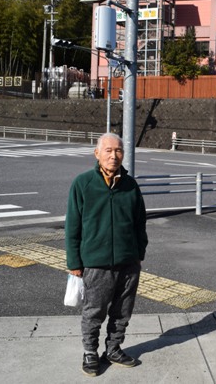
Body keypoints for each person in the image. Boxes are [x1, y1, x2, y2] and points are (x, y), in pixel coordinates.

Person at [65, 133, 148, 377]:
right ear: (97, 153)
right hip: (96, 263)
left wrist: (139, 253)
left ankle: (113, 349)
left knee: (123, 311)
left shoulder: (130, 185)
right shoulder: (83, 183)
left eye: (118, 150)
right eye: (108, 150)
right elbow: (73, 226)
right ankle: (90, 352)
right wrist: (74, 262)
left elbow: (140, 224)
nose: (114, 155)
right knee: (94, 311)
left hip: (128, 261)